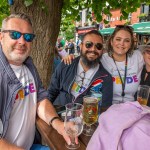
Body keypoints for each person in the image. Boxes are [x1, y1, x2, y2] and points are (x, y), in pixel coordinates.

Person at [0, 13, 70, 150]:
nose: (22, 41)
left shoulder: (28, 65)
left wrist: (58, 124)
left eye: (27, 37)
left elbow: (40, 99)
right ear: (1, 37)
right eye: (14, 34)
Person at [63, 26, 144, 104]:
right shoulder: (102, 59)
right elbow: (86, 57)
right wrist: (71, 57)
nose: (122, 43)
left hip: (132, 108)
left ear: (131, 44)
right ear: (111, 42)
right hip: (108, 108)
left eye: (127, 40)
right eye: (118, 39)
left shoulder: (138, 57)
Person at [48, 30, 113, 109]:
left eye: (98, 46)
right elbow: (50, 94)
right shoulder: (66, 65)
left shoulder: (106, 78)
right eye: (88, 45)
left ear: (102, 50)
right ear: (81, 46)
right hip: (59, 115)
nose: (93, 49)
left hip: (86, 119)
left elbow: (104, 108)